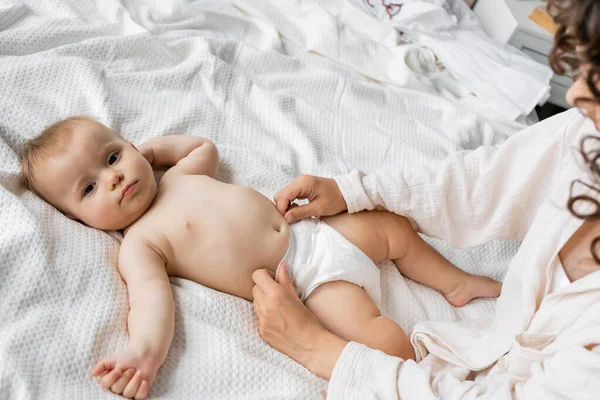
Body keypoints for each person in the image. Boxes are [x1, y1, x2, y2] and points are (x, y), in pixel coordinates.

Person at [251, 0, 600, 398]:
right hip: (492, 340)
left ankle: (458, 283)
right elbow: (488, 180)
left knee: (385, 327)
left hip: (324, 285)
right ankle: (459, 283)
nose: (573, 95)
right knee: (388, 225)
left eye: (598, 81)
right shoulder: (587, 133)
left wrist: (318, 348)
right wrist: (356, 190)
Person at [19, 117, 500, 399]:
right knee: (382, 338)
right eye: (89, 188)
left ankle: (456, 283)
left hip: (318, 231)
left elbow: (205, 147)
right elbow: (150, 301)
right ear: (80, 221)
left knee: (395, 229)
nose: (115, 179)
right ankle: (416, 370)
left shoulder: (179, 176)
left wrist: (153, 150)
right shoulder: (142, 242)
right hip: (308, 280)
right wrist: (144, 353)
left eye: (112, 157)